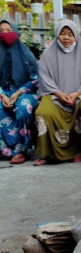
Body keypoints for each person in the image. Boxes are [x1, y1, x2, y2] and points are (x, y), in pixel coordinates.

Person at [34, 20, 81, 166]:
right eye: (62, 34)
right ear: (57, 35)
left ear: (75, 36)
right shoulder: (48, 54)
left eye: (70, 34)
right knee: (42, 112)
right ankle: (46, 154)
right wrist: (58, 94)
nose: (66, 38)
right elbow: (44, 76)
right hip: (55, 95)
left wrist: (76, 93)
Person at [0, 19, 39, 164]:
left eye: (8, 30)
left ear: (15, 32)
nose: (4, 33)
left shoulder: (26, 54)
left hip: (25, 93)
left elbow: (35, 80)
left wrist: (18, 93)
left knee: (23, 107)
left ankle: (22, 151)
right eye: (1, 31)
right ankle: (4, 150)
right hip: (3, 92)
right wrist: (3, 95)